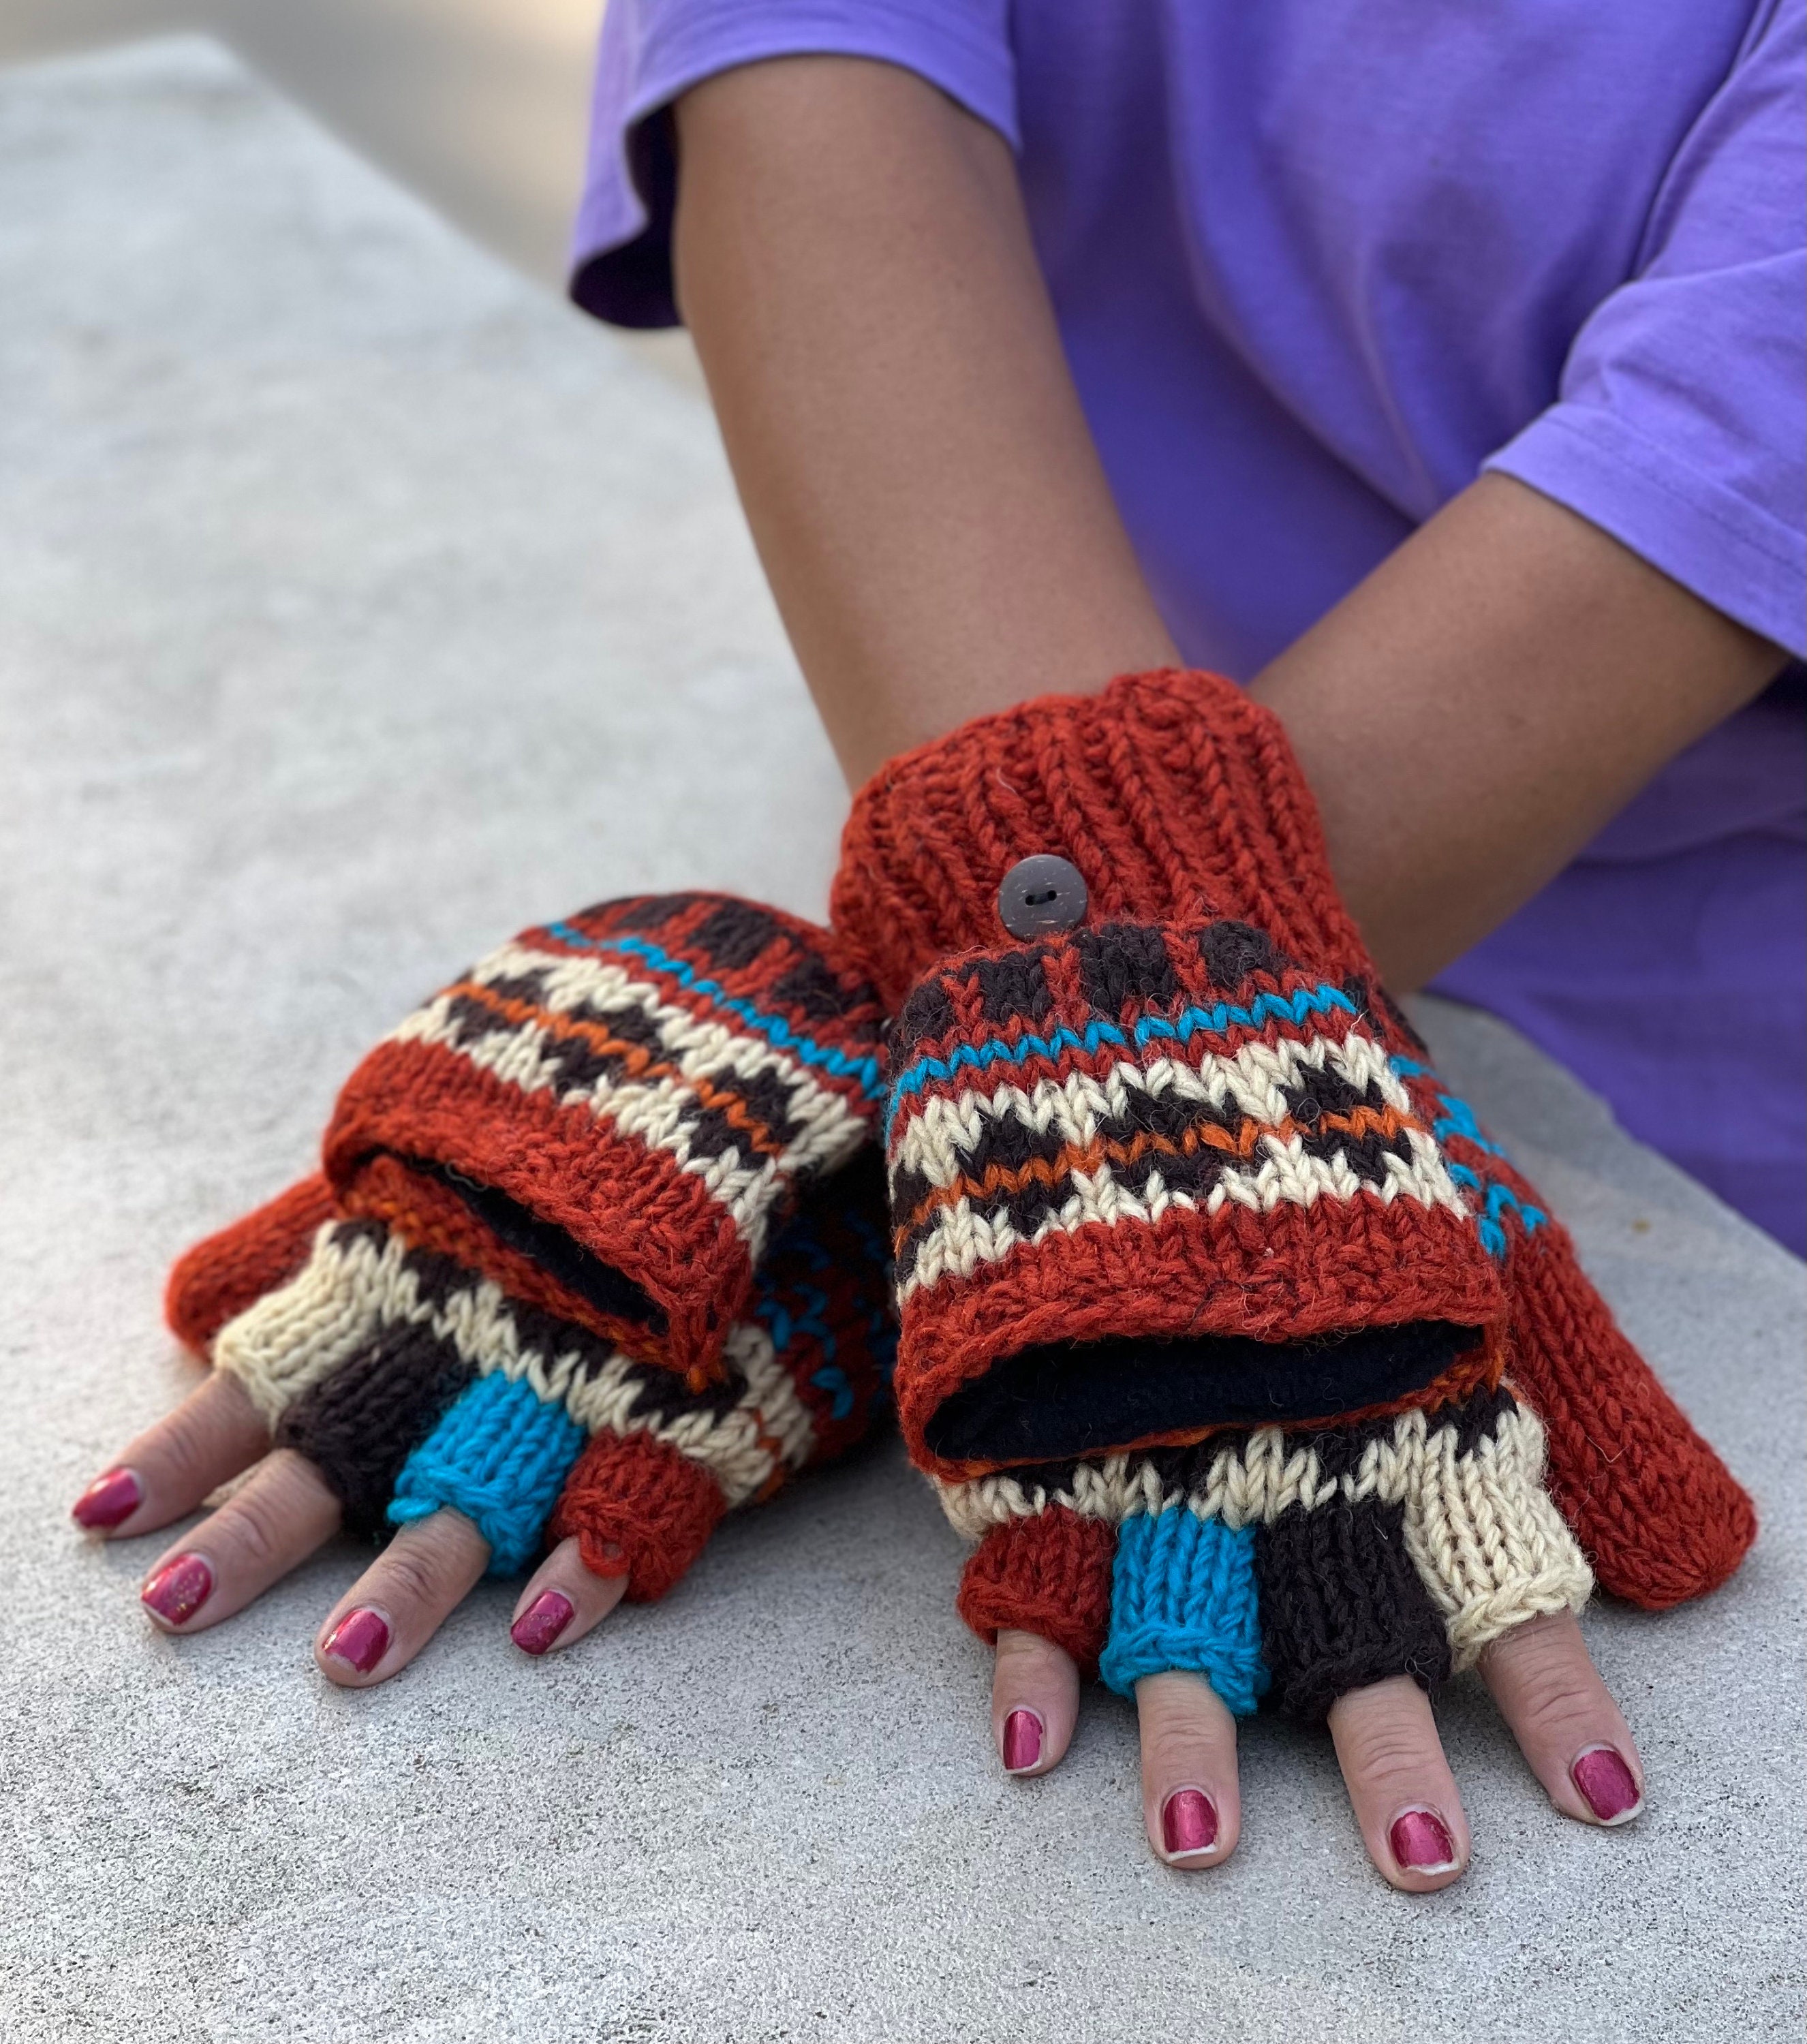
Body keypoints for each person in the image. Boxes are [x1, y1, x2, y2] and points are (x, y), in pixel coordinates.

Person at [74, 0, 1802, 1894]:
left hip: (1692, 1075)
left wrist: (906, 1127)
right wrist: (1060, 1073)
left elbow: (1733, 429)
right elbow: (809, 54)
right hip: (985, 780)